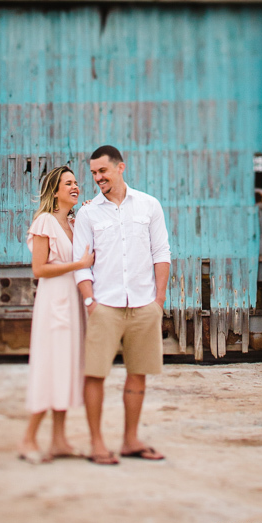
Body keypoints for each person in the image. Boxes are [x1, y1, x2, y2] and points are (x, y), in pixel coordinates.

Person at [72, 145, 171, 465]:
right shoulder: (88, 213)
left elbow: (162, 253)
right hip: (105, 305)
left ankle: (130, 440)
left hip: (144, 304)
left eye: (103, 171)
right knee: (95, 375)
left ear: (120, 168)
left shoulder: (149, 205)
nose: (98, 178)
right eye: (93, 173)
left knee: (138, 373)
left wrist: (158, 301)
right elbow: (81, 263)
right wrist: (90, 301)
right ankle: (97, 442)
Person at [18, 166, 94, 464]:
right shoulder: (45, 222)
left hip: (73, 302)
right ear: (55, 191)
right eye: (68, 183)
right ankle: (28, 439)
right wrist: (78, 265)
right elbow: (39, 270)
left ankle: (60, 440)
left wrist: (92, 212)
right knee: (50, 368)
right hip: (54, 303)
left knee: (66, 368)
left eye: (76, 182)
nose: (75, 186)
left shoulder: (75, 223)